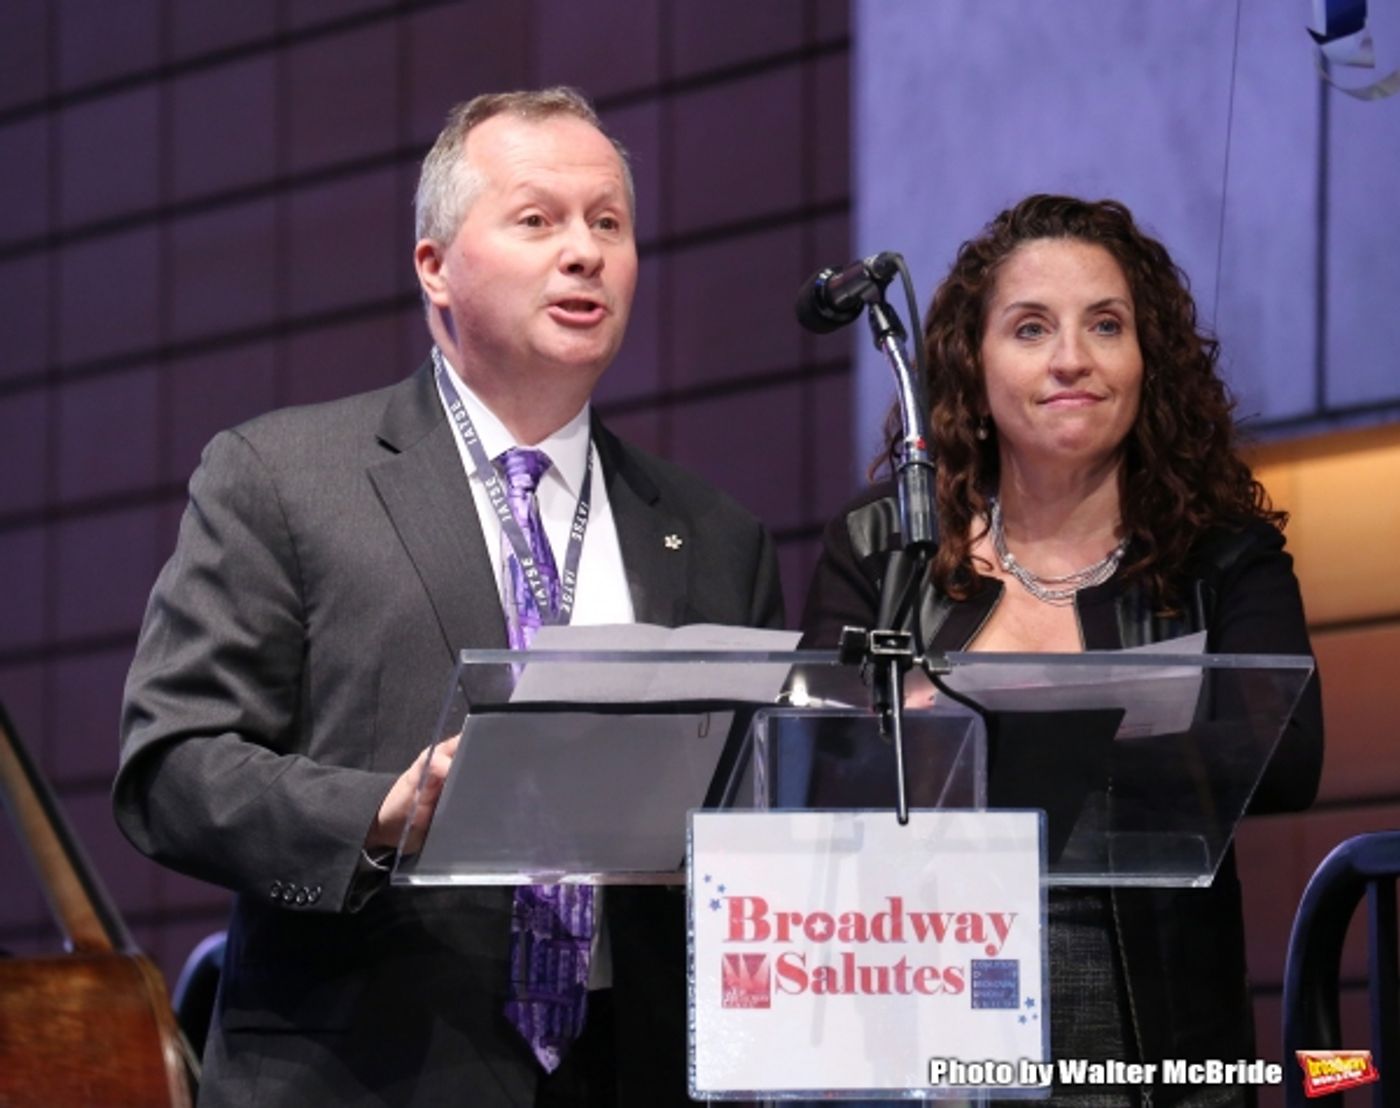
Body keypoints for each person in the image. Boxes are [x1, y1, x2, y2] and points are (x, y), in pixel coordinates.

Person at [114, 87, 784, 1107]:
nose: (585, 251)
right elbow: (171, 769)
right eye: (537, 219)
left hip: (631, 1070)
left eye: (609, 222)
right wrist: (377, 814)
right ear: (434, 265)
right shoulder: (284, 476)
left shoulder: (714, 533)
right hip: (363, 1069)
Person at [801, 194, 1323, 1106]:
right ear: (975, 362)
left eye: (1106, 326)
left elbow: (1285, 759)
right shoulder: (886, 545)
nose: (1072, 359)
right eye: (1031, 328)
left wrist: (976, 738)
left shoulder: (1221, 554)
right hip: (912, 1033)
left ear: (1146, 359)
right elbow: (806, 766)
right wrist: (1127, 732)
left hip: (1153, 1055)